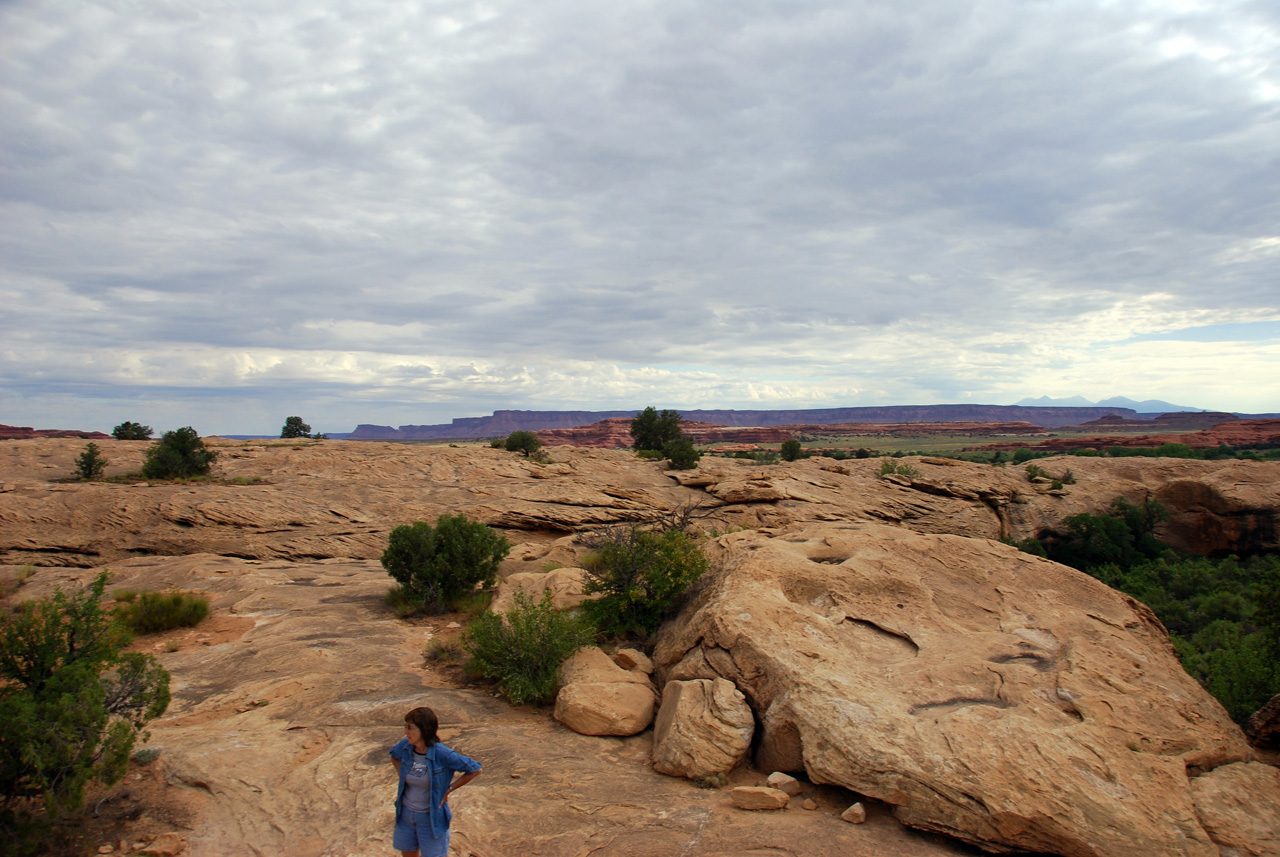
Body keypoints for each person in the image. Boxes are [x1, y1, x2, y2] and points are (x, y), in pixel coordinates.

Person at [389, 706, 482, 857]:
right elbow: (394, 755)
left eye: (409, 727)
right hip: (406, 814)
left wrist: (449, 789)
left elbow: (475, 769)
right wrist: (403, 775)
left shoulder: (442, 754)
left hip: (430, 819)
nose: (406, 732)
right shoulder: (405, 747)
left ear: (423, 729)